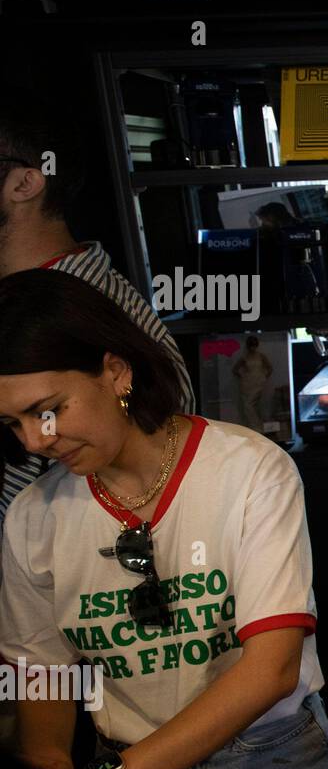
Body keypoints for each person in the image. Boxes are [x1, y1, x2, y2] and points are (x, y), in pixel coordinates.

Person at [0, 269, 328, 769]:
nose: (36, 442)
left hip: (271, 764)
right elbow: (44, 669)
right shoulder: (33, 517)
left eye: (48, 410)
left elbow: (269, 673)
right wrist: (48, 767)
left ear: (115, 371)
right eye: (14, 424)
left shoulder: (249, 471)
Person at [0, 97, 193, 521]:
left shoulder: (86, 312)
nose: (33, 437)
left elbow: (155, 491)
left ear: (24, 184)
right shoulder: (40, 296)